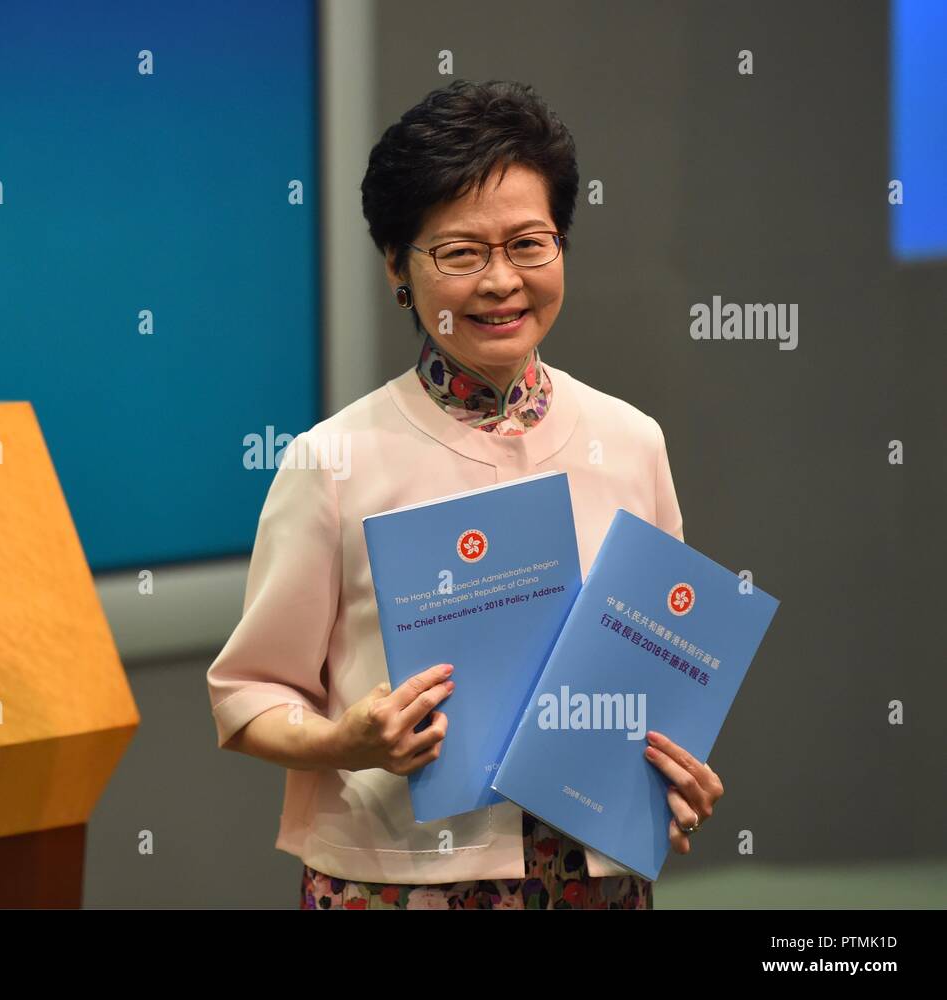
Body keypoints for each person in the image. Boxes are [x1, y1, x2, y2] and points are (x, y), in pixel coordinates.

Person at [205, 80, 724, 910]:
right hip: (396, 882)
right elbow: (247, 693)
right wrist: (348, 740)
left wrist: (668, 777)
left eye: (529, 244)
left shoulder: (632, 440)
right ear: (396, 268)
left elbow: (656, 675)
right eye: (459, 253)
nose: (500, 281)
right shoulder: (333, 459)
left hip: (595, 881)